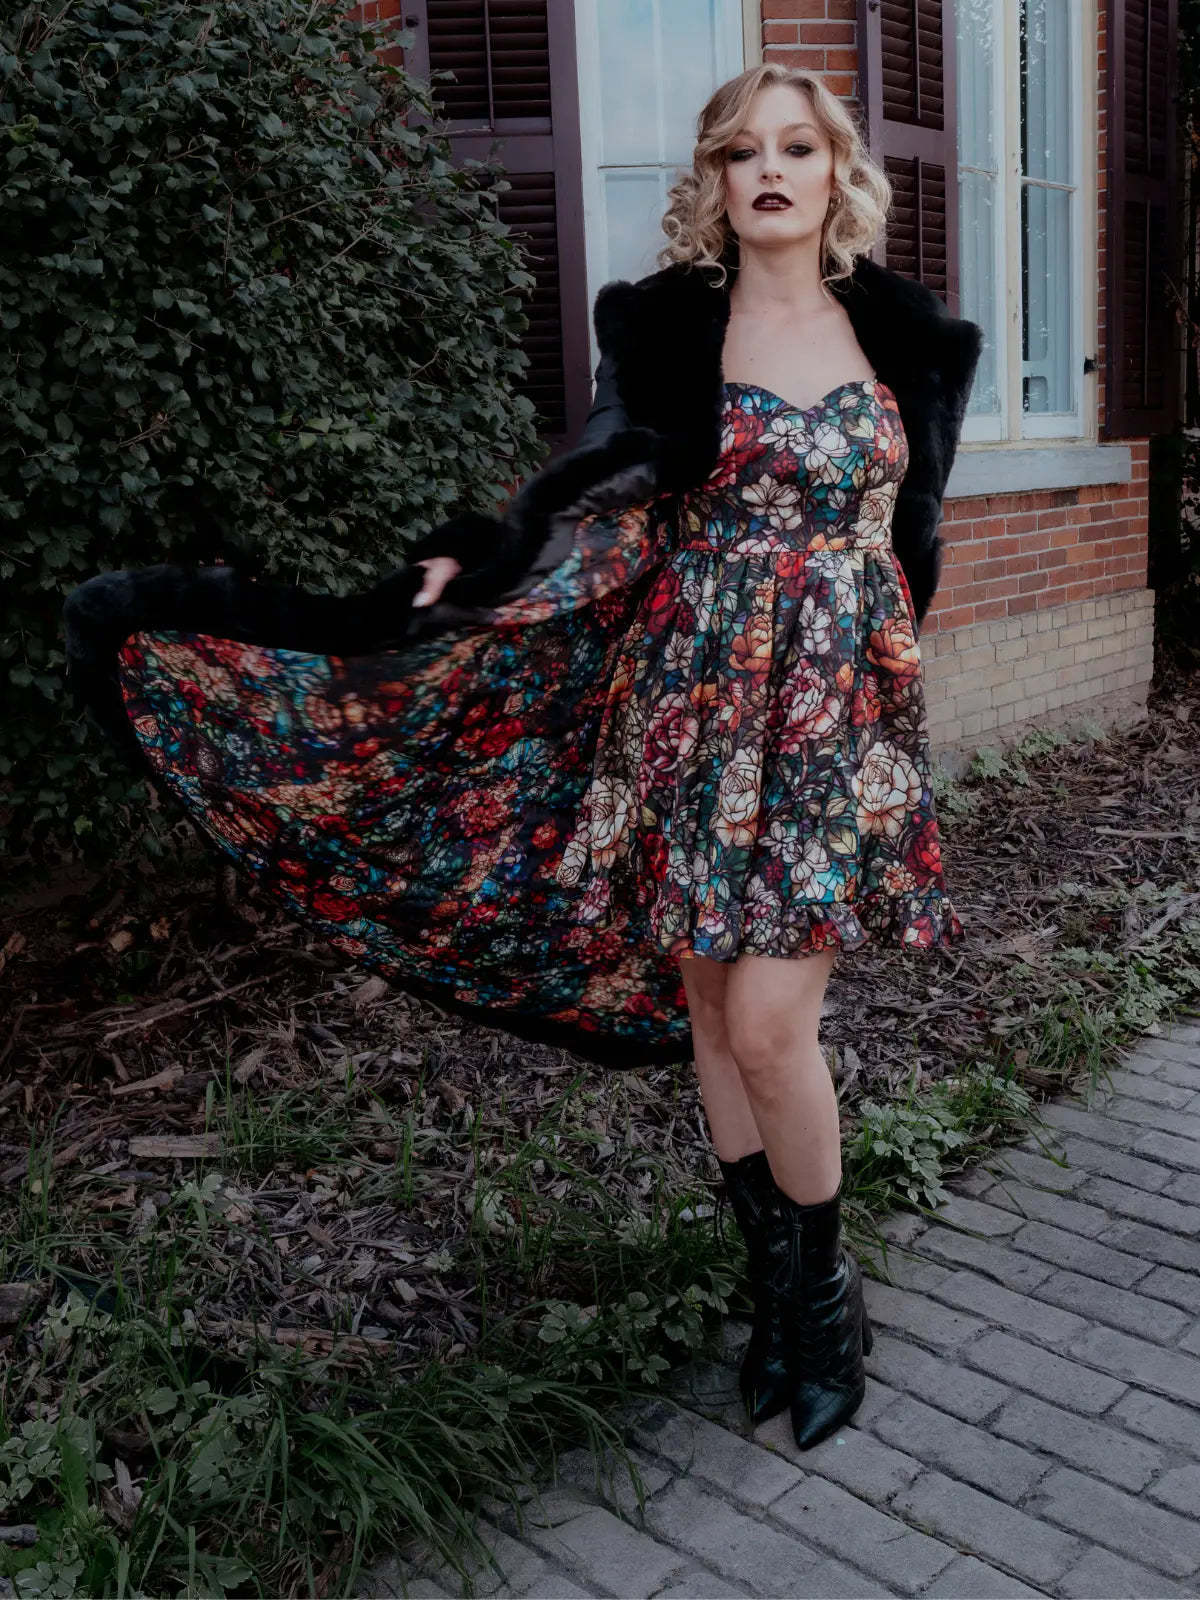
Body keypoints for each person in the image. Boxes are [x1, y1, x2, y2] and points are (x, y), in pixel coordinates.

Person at [65, 63, 983, 1452]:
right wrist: (484, 558)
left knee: (773, 1026)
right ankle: (774, 1300)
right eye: (743, 153)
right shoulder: (672, 326)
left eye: (797, 147)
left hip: (831, 723)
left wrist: (873, 691)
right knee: (712, 1021)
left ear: (838, 170)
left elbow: (908, 549)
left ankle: (828, 1303)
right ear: (718, 184)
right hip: (683, 703)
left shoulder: (909, 340)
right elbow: (594, 475)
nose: (771, 172)